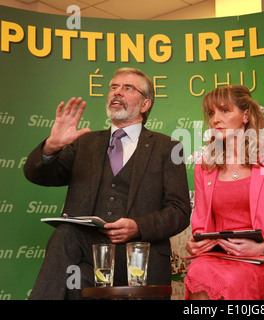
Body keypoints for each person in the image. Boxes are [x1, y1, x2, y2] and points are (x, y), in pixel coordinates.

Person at [23, 68, 191, 299]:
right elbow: (38, 175)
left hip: (139, 261)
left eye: (127, 88)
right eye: (114, 87)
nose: (117, 92)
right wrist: (52, 145)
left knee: (73, 280)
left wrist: (138, 226)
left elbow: (179, 211)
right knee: (67, 240)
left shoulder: (169, 148)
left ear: (145, 104)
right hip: (89, 259)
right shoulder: (86, 143)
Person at [184, 85, 264, 300]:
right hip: (220, 256)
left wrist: (260, 247)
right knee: (198, 271)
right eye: (211, 113)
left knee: (234, 281)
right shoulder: (204, 166)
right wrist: (194, 243)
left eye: (224, 111)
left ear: (245, 115)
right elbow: (200, 225)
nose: (215, 119)